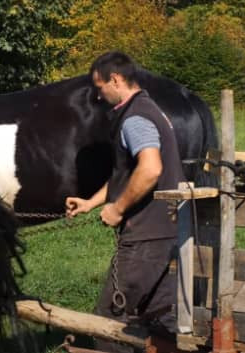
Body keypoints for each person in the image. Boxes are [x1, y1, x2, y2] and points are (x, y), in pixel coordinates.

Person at [65, 51, 183, 353]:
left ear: (115, 80)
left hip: (144, 239)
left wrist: (117, 209)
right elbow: (128, 174)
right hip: (168, 234)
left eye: (100, 87)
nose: (98, 96)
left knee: (109, 324)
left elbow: (150, 168)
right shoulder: (149, 109)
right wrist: (91, 203)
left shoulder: (135, 119)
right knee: (160, 323)